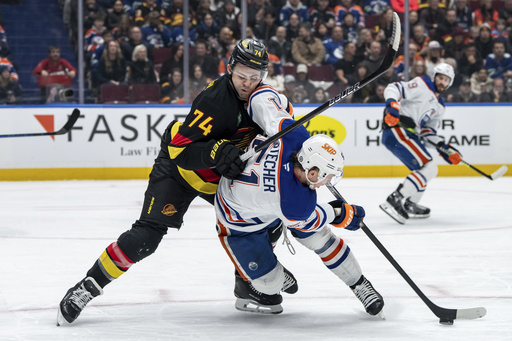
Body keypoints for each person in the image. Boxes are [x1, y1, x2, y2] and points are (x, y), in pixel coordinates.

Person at [56, 38, 298, 326]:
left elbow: (286, 138)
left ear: (264, 76)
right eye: (241, 76)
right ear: (230, 68)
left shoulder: (267, 101)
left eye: (254, 77)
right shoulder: (214, 101)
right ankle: (86, 287)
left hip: (219, 180)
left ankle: (247, 283)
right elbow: (180, 152)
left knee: (268, 219)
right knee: (145, 238)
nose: (247, 83)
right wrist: (215, 151)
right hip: (180, 171)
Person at [215, 130, 384, 316]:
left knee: (313, 234)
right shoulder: (294, 204)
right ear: (312, 172)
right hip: (239, 222)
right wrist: (341, 213)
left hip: (263, 201)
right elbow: (311, 219)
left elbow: (261, 100)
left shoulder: (293, 135)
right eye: (328, 176)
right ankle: (268, 274)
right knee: (270, 284)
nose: (328, 182)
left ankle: (358, 283)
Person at [379, 63, 462, 224]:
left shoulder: (440, 107)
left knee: (423, 169)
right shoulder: (423, 84)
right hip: (397, 128)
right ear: (435, 76)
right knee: (430, 167)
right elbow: (393, 88)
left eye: (446, 80)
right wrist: (392, 107)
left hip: (410, 134)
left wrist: (445, 148)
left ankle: (410, 203)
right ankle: (395, 199)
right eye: (440, 78)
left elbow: (427, 133)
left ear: (449, 83)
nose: (442, 82)